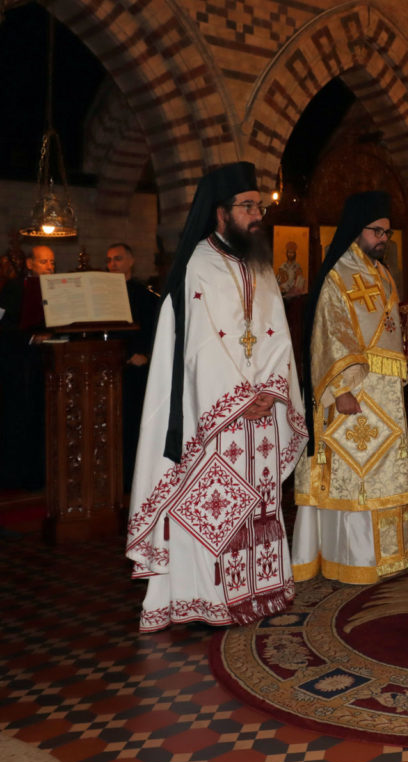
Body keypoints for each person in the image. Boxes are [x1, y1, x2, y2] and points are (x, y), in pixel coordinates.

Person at [125, 162, 307, 632]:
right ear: (221, 212)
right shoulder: (197, 266)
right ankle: (207, 599)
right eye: (247, 207)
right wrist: (239, 396)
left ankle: (261, 591)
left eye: (259, 207)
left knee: (261, 507)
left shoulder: (261, 265)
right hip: (213, 419)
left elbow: (276, 333)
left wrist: (271, 387)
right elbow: (198, 346)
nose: (256, 216)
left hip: (261, 416)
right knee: (213, 506)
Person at [293, 190, 408, 584]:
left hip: (386, 393)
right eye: (377, 231)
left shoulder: (382, 274)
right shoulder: (337, 276)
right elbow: (329, 334)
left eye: (387, 232)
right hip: (355, 394)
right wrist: (341, 391)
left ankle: (390, 557)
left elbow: (393, 326)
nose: (383, 239)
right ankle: (354, 560)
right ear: (356, 230)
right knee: (357, 476)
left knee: (386, 474)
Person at [0, 245, 55, 490]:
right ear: (30, 264)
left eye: (52, 262)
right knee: (21, 421)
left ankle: (43, 474)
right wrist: (31, 338)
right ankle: (19, 478)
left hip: (49, 365)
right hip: (19, 366)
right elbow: (3, 326)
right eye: (44, 262)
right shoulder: (15, 288)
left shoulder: (59, 288)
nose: (49, 267)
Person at [106, 243, 161, 492]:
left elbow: (156, 332)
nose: (112, 264)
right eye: (109, 260)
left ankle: (133, 481)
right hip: (108, 370)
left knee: (133, 427)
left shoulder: (145, 295)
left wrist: (147, 356)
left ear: (131, 261)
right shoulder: (102, 293)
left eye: (118, 259)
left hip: (136, 371)